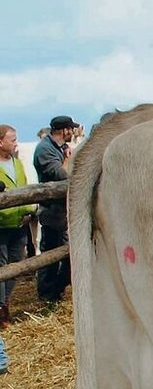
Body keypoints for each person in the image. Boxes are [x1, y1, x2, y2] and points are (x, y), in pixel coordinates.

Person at [34, 115, 77, 304]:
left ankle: (56, 291)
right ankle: (46, 295)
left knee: (67, 255)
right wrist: (68, 158)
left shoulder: (59, 148)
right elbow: (62, 175)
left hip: (61, 210)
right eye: (71, 129)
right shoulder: (44, 149)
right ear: (64, 130)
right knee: (50, 255)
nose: (73, 132)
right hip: (51, 211)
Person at [0, 123, 37, 327]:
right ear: (0, 142)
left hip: (19, 223)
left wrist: (28, 210)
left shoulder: (17, 163)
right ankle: (1, 310)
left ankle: (5, 303)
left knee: (16, 264)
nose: (16, 143)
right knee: (2, 267)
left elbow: (24, 188)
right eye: (12, 139)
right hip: (2, 224)